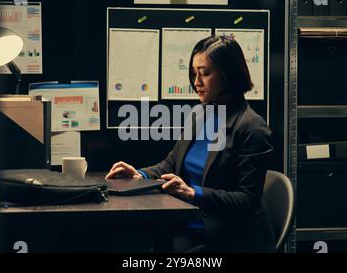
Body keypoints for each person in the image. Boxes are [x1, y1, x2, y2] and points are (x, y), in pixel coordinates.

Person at [106, 35, 275, 253]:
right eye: (194, 74)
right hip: (188, 226)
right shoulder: (199, 114)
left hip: (230, 238)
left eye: (205, 73)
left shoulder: (253, 127)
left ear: (229, 75)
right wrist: (140, 175)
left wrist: (193, 193)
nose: (197, 82)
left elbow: (246, 200)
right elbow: (170, 164)